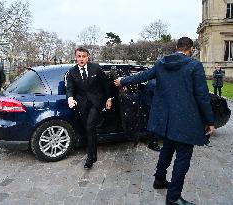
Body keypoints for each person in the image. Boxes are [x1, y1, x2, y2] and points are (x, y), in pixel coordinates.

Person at [114, 37, 215, 205]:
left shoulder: (162, 63)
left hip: (166, 120)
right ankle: (173, 197)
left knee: (167, 149)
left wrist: (122, 80)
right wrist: (210, 121)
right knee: (182, 157)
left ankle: (159, 180)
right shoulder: (194, 65)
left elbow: (143, 76)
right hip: (185, 121)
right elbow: (202, 96)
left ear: (176, 47)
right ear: (190, 49)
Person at [66, 47, 112, 169]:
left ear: (88, 57)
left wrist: (109, 99)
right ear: (75, 57)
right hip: (82, 105)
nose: (81, 59)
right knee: (89, 129)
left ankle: (90, 157)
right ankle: (93, 154)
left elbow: (105, 84)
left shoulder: (95, 68)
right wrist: (70, 98)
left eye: (83, 56)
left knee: (90, 126)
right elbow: (70, 88)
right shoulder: (72, 71)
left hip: (96, 103)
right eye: (79, 56)